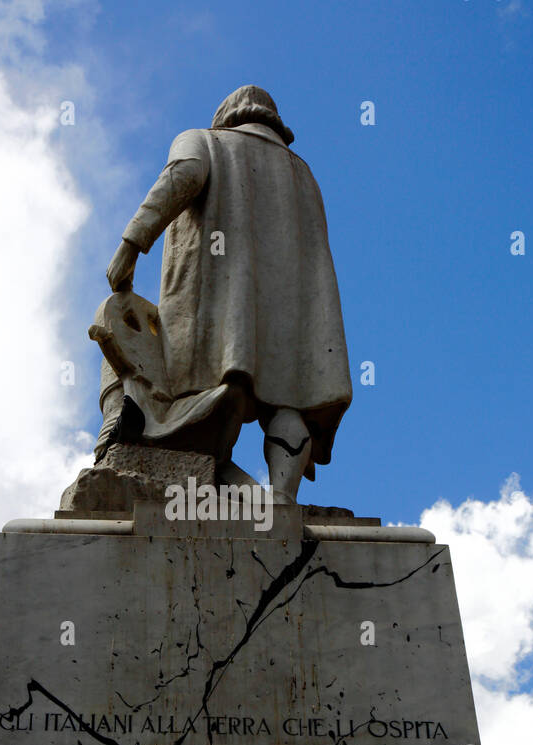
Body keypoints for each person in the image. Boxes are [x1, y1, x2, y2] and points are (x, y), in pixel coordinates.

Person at [101, 86, 352, 504]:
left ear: (226, 117)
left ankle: (163, 438)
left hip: (212, 309)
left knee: (134, 355)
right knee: (287, 401)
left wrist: (130, 245)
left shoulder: (204, 141)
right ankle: (281, 497)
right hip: (292, 315)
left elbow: (182, 176)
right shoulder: (303, 174)